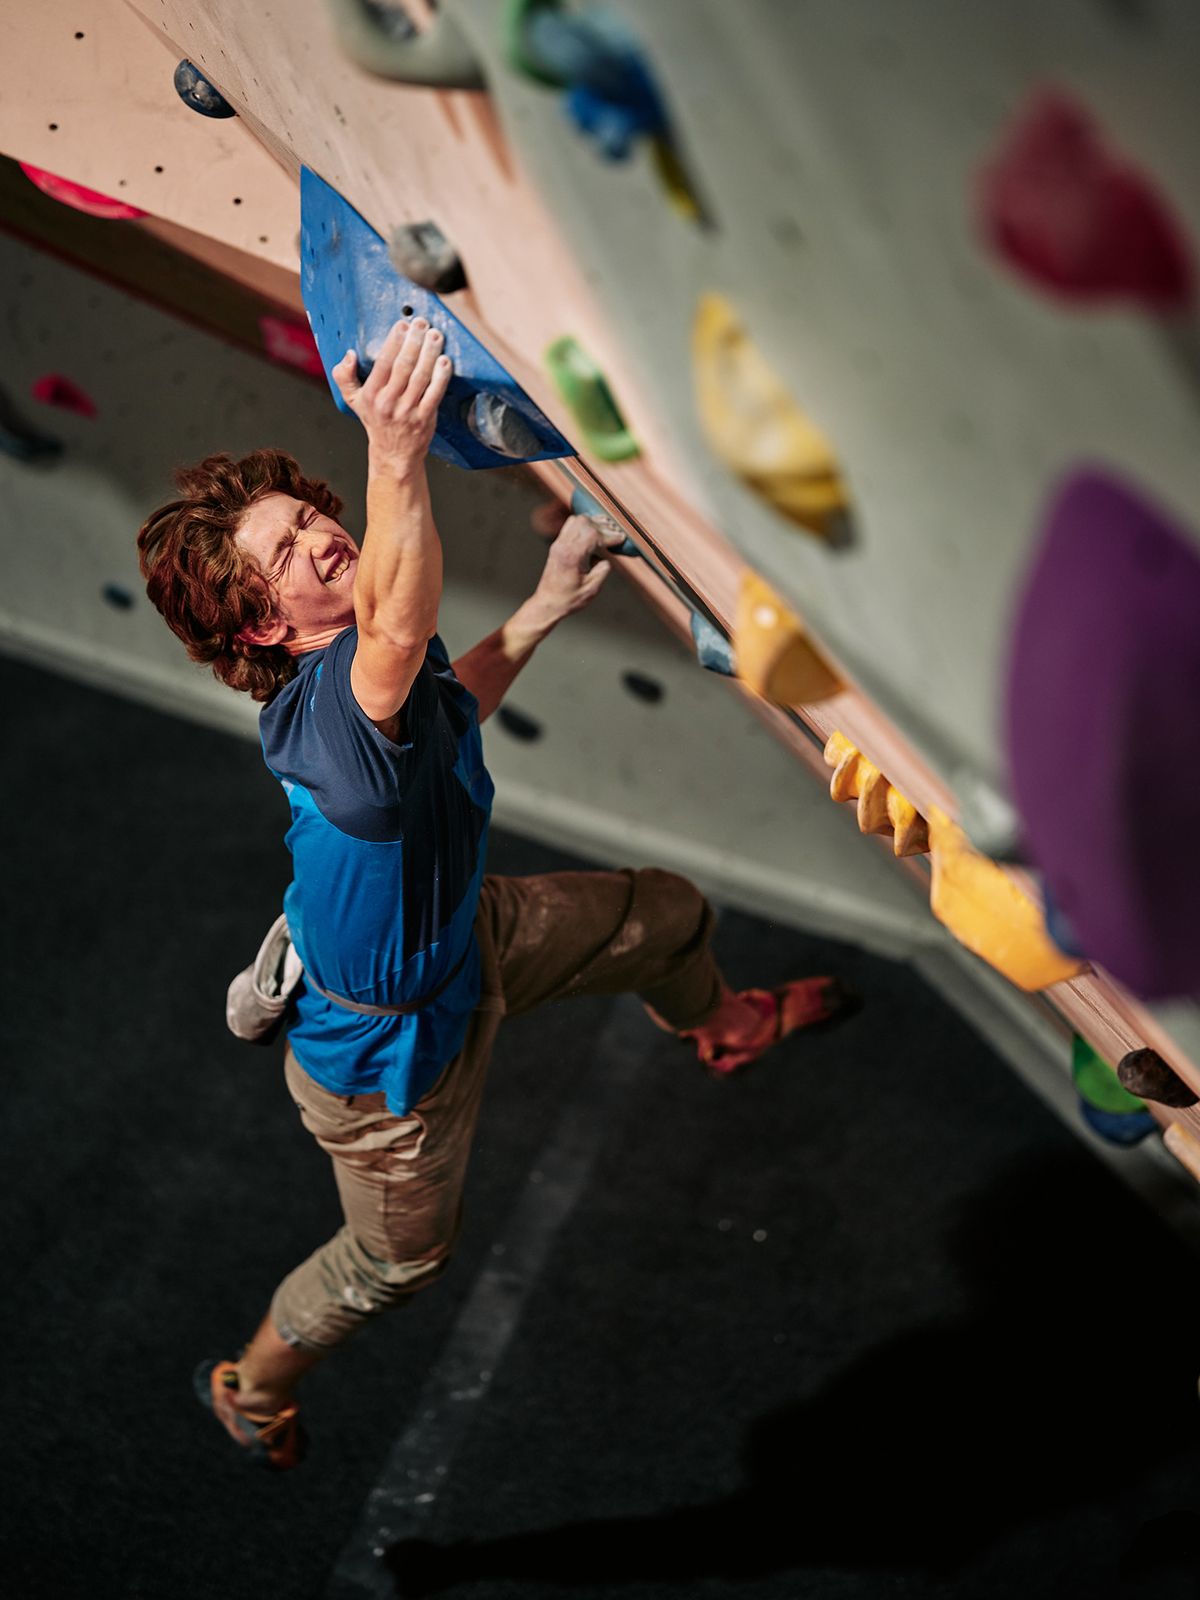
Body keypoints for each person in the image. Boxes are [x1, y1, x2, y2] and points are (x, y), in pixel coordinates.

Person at [137, 317, 851, 1470]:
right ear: (267, 626)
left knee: (663, 914)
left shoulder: (382, 674)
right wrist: (396, 454)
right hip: (382, 1072)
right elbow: (397, 624)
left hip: (468, 937)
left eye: (314, 519)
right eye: (290, 553)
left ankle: (724, 1027)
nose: (322, 535)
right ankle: (252, 1386)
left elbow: (439, 687)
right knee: (398, 1264)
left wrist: (543, 604)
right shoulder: (325, 710)